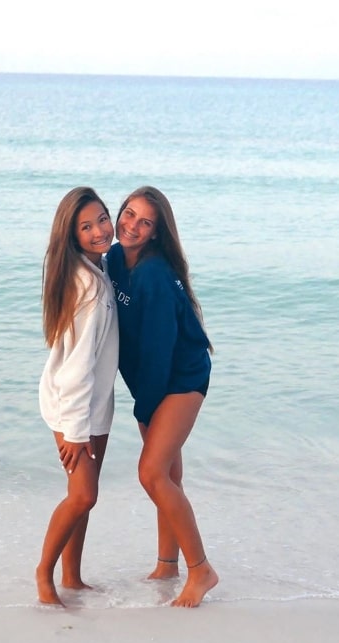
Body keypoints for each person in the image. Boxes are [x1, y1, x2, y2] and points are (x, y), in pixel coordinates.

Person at [106, 186, 218, 607]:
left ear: (156, 232)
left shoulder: (152, 274)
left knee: (152, 474)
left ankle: (201, 570)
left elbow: (158, 348)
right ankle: (167, 564)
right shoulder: (116, 258)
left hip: (181, 377)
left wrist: (145, 406)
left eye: (144, 221)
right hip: (152, 380)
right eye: (129, 214)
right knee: (168, 477)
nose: (132, 225)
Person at [36, 187, 118, 607]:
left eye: (102, 219)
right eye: (86, 226)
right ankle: (44, 575)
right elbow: (77, 365)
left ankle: (73, 576)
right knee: (83, 495)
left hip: (93, 405)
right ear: (72, 235)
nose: (99, 230)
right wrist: (75, 430)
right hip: (74, 408)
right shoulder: (87, 284)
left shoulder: (97, 271)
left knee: (85, 494)